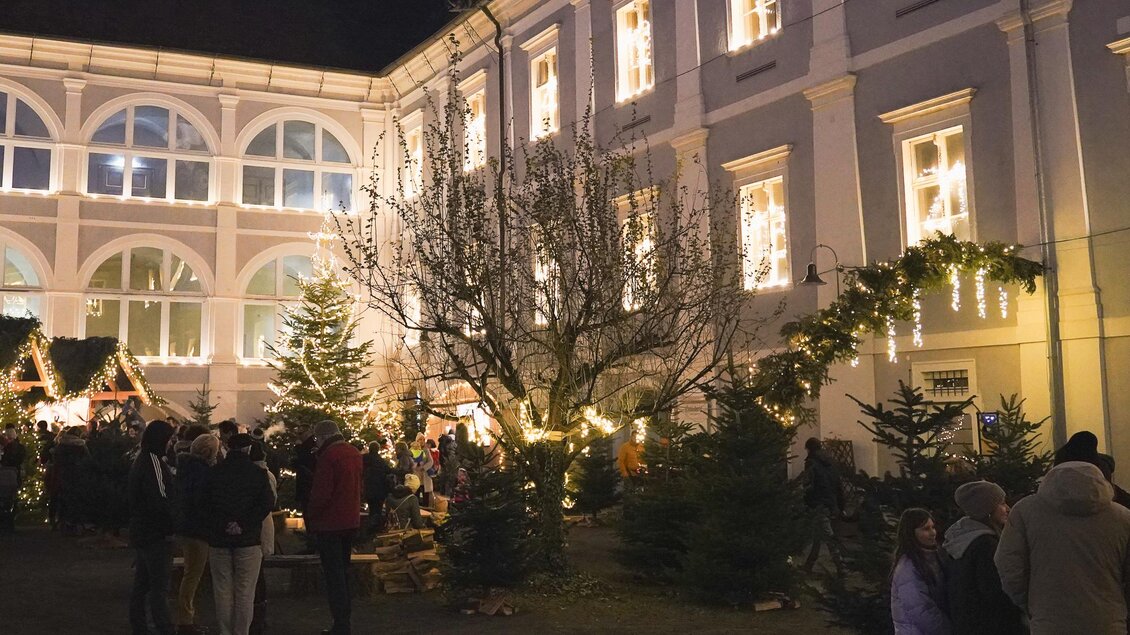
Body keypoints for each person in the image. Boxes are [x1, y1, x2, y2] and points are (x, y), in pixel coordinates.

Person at [996, 461, 1130, 634]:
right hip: (1107, 620)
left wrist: (1027, 602)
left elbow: (1008, 564)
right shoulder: (1122, 517)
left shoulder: (1025, 512)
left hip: (1049, 619)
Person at [203, 433, 273, 635]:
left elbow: (204, 504)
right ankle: (241, 631)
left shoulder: (214, 473)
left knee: (222, 590)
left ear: (227, 447)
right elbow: (266, 503)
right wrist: (242, 524)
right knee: (245, 591)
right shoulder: (258, 474)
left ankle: (225, 631)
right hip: (248, 539)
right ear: (248, 449)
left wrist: (224, 524)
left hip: (219, 538)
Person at [941, 481, 1023, 635]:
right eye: (1002, 503)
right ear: (987, 510)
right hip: (991, 627)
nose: (1007, 508)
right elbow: (997, 592)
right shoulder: (985, 545)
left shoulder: (960, 539)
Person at [306, 420, 362, 635]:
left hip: (330, 523)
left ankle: (341, 624)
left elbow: (321, 494)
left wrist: (312, 517)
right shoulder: (354, 453)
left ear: (323, 437)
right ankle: (344, 620)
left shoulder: (329, 457)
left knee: (334, 575)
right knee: (343, 571)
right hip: (350, 519)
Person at [127, 419, 178, 635]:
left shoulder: (142, 460)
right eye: (169, 439)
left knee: (143, 584)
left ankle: (139, 626)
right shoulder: (153, 462)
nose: (171, 443)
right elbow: (160, 498)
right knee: (158, 586)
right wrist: (170, 526)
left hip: (143, 530)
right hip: (155, 533)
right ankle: (164, 627)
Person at [174, 433, 220, 635]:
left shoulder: (186, 469)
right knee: (192, 575)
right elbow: (203, 502)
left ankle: (188, 617)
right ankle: (185, 620)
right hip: (198, 530)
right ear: (208, 452)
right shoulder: (203, 473)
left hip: (186, 527)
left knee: (191, 573)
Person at [890, 508, 950, 635]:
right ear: (911, 533)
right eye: (926, 529)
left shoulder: (935, 557)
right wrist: (948, 630)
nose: (933, 533)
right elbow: (921, 611)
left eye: (933, 527)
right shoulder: (908, 568)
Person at [800, 437, 844, 574]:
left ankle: (841, 566)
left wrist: (806, 502)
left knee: (828, 536)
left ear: (809, 449)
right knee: (818, 534)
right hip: (831, 503)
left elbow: (808, 485)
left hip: (818, 504)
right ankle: (809, 564)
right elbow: (838, 485)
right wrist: (839, 505)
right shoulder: (831, 463)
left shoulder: (811, 464)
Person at [249, 441, 277, 635]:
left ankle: (256, 615)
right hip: (264, 524)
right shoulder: (268, 475)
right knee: (259, 574)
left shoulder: (254, 475)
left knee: (256, 575)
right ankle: (260, 614)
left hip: (255, 527)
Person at [362, 441, 394, 535]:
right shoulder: (381, 461)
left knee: (371, 509)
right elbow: (388, 470)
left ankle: (370, 527)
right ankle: (376, 528)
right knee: (378, 510)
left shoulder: (364, 459)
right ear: (378, 449)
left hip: (368, 488)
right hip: (380, 489)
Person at [292, 427, 318, 514]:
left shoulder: (308, 446)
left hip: (307, 483)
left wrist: (298, 447)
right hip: (308, 483)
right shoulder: (311, 445)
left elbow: (304, 460)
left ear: (308, 433)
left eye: (300, 433)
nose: (298, 436)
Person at [411, 433, 435, 507]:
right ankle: (415, 508)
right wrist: (415, 465)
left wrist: (424, 467)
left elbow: (431, 461)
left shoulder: (426, 450)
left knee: (425, 494)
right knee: (416, 492)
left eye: (423, 439)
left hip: (424, 475)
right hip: (416, 474)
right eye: (420, 439)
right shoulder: (412, 450)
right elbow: (411, 461)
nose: (422, 441)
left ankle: (426, 508)